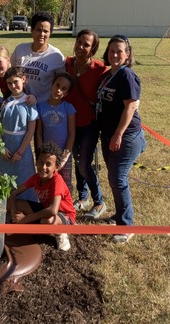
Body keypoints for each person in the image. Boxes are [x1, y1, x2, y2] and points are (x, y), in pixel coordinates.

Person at [96, 34, 146, 244]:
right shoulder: (109, 75)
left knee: (118, 179)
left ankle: (127, 226)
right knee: (114, 178)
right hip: (108, 134)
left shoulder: (127, 76)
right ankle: (119, 216)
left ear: (127, 54)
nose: (115, 54)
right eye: (111, 51)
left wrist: (118, 134)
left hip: (125, 137)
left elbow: (131, 106)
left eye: (119, 51)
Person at [64, 29, 108, 219]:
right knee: (77, 159)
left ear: (93, 49)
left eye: (86, 44)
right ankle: (83, 199)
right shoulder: (67, 64)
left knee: (84, 163)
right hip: (71, 122)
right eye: (79, 42)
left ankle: (99, 202)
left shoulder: (99, 69)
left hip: (89, 123)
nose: (81, 47)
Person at [9, 141, 76, 252]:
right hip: (45, 210)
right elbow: (13, 193)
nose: (43, 167)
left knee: (48, 221)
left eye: (48, 164)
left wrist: (24, 219)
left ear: (56, 167)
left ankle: (61, 234)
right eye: (40, 162)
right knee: (13, 204)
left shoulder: (57, 181)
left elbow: (53, 211)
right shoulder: (36, 178)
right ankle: (21, 221)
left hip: (64, 216)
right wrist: (13, 214)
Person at [0, 67, 39, 202]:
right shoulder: (3, 102)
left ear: (23, 79)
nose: (13, 86)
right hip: (3, 146)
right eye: (9, 83)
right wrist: (0, 146)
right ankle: (3, 207)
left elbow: (31, 130)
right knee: (1, 179)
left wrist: (20, 152)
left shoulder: (29, 102)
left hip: (21, 147)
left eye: (16, 82)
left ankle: (24, 208)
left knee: (23, 179)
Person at [35, 72, 76, 194]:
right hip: (47, 153)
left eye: (63, 89)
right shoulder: (41, 107)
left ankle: (64, 208)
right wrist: (41, 152)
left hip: (63, 152)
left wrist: (66, 154)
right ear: (52, 84)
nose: (58, 90)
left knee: (65, 181)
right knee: (47, 179)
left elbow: (71, 133)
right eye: (57, 85)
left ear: (67, 93)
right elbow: (38, 133)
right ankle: (49, 205)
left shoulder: (68, 108)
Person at [10, 12, 65, 101]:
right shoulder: (20, 49)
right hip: (20, 103)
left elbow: (61, 84)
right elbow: (11, 73)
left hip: (43, 106)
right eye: (38, 30)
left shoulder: (56, 56)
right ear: (32, 30)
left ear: (50, 33)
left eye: (46, 31)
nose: (41, 34)